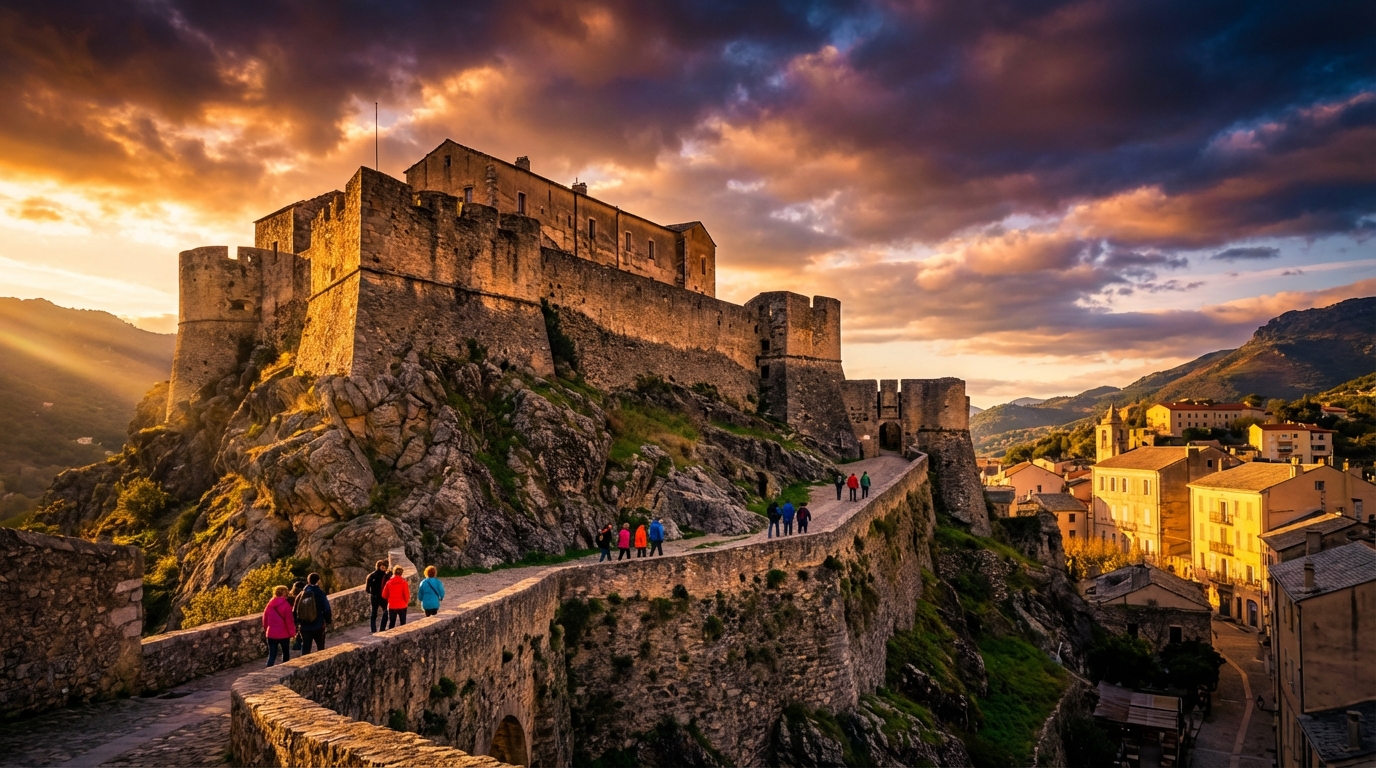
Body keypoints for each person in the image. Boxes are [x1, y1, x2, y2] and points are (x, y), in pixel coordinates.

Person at [294, 573, 332, 654]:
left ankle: (305, 664)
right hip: (318, 625)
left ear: (308, 581)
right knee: (320, 647)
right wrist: (328, 621)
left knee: (306, 648)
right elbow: (327, 608)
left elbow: (295, 610)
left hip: (304, 626)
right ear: (318, 581)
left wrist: (297, 623)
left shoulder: (301, 594)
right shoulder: (320, 593)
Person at [262, 585, 295, 667]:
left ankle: (268, 668)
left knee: (272, 655)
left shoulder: (269, 605)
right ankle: (285, 669)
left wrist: (267, 629)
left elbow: (265, 619)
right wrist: (292, 633)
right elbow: (289, 621)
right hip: (284, 634)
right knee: (286, 653)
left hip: (271, 634)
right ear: (285, 593)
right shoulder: (286, 606)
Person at [364, 560, 389, 633]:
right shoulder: (386, 576)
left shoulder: (371, 576)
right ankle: (382, 628)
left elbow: (367, 589)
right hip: (382, 597)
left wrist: (372, 592)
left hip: (375, 596)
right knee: (385, 612)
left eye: (384, 567)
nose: (384, 569)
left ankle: (373, 629)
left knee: (374, 613)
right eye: (382, 567)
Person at [288, 576, 307, 650]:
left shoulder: (289, 598)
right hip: (301, 618)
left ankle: (297, 645)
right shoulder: (303, 597)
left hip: (292, 618)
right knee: (301, 633)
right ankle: (299, 646)